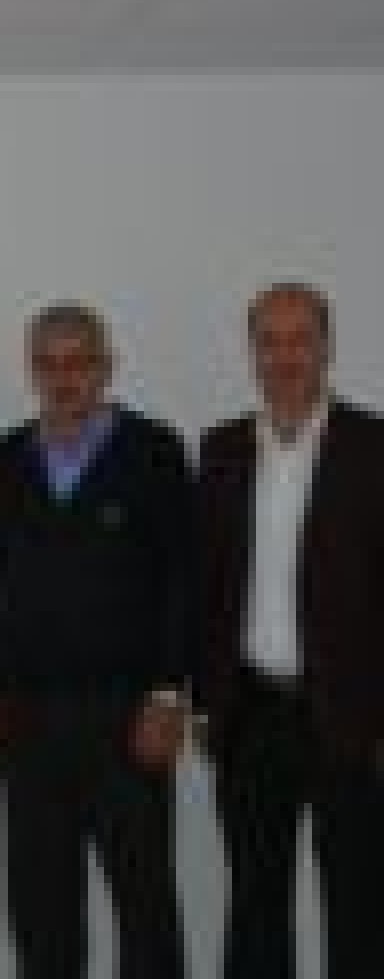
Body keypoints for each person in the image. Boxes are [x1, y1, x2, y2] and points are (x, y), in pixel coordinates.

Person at [0, 302, 196, 979]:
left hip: (127, 714)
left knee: (144, 903)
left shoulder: (153, 451)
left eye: (79, 362)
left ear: (106, 367)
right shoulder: (5, 459)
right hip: (29, 717)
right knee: (40, 906)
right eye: (48, 364)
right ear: (32, 370)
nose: (63, 379)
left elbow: (182, 579)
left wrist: (168, 694)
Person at [201, 283, 384, 979]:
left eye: (300, 340)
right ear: (253, 351)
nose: (285, 357)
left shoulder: (373, 446)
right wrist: (205, 700)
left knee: (359, 905)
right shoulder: (220, 449)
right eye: (270, 342)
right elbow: (208, 586)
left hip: (351, 715)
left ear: (326, 347)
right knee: (254, 907)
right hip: (250, 712)